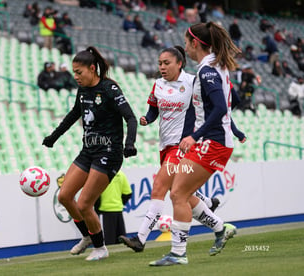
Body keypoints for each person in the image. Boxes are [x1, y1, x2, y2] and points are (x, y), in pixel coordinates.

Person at [118, 46, 244, 255]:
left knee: (160, 186)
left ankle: (140, 238)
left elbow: (227, 101)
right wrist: (147, 119)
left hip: (183, 145)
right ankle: (219, 225)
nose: (162, 67)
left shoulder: (194, 80)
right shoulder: (157, 84)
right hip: (165, 146)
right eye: (160, 64)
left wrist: (236, 129)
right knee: (181, 196)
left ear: (180, 63)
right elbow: (153, 110)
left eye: (166, 63)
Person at [148, 21, 241, 266]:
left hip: (214, 142)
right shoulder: (212, 66)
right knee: (180, 192)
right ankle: (219, 228)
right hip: (210, 141)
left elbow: (221, 107)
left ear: (195, 43)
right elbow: (228, 102)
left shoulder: (206, 70)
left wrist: (195, 135)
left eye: (187, 43)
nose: (186, 48)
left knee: (178, 192)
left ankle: (178, 253)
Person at [42, 46, 138, 261]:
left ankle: (101, 248)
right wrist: (53, 137)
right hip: (88, 151)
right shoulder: (83, 90)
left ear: (92, 69)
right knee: (65, 196)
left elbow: (130, 118)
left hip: (109, 153)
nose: (76, 76)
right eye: (74, 72)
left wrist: (129, 143)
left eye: (79, 72)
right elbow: (73, 114)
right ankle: (87, 236)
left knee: (85, 203)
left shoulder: (109, 89)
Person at [94, 170, 132, 245]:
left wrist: (97, 208)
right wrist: (120, 203)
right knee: (121, 240)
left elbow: (95, 193)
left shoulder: (100, 174)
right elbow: (127, 193)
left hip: (105, 210)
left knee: (108, 241)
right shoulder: (121, 174)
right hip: (118, 210)